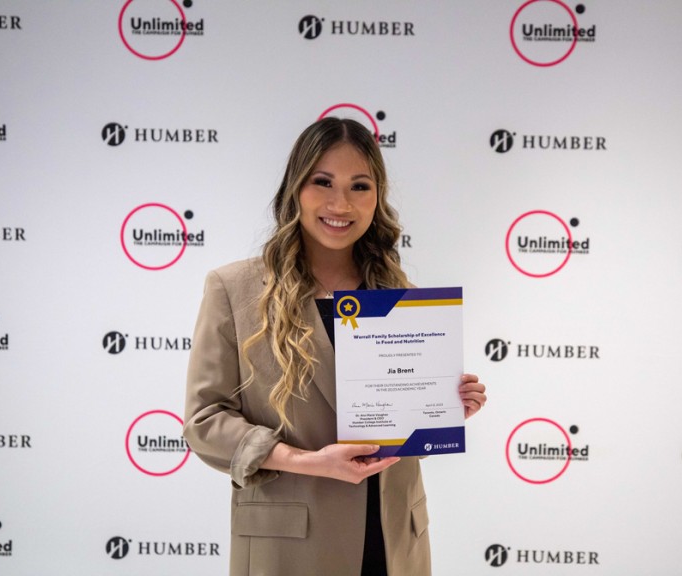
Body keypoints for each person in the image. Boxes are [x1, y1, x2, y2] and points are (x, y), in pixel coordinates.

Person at [183, 117, 487, 576]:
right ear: (295, 189)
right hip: (291, 546)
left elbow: (393, 426)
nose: (340, 203)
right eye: (322, 182)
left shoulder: (396, 294)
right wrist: (307, 462)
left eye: (359, 186)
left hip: (392, 542)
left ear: (376, 199)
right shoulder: (234, 288)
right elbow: (204, 422)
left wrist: (439, 411)